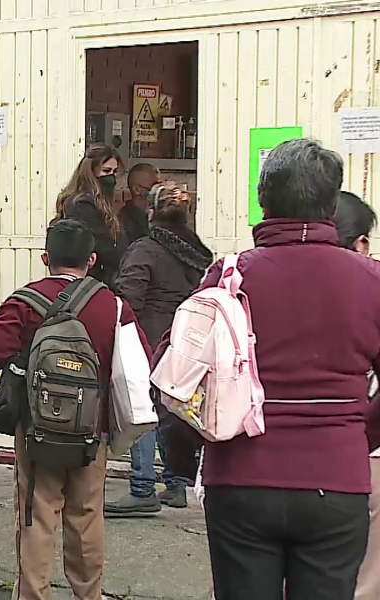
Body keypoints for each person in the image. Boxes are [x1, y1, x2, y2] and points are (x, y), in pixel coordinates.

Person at [158, 139, 380, 600]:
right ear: (332, 202)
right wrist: (358, 432)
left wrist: (201, 441)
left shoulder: (228, 276)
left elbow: (174, 370)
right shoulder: (371, 280)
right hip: (336, 480)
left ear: (263, 199)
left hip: (241, 479)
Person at [0, 219, 151, 600]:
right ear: (91, 260)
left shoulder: (25, 300)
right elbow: (140, 360)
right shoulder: (113, 305)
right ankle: (87, 595)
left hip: (37, 428)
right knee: (87, 517)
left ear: (46, 258)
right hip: (93, 431)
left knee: (37, 516)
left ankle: (33, 594)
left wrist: (26, 367)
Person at [106, 183, 213, 516]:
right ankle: (176, 483)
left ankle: (142, 488)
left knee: (144, 409)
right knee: (170, 408)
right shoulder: (199, 253)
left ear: (151, 214)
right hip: (184, 341)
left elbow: (128, 296)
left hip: (148, 338)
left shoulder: (145, 249)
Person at [334, 191, 380, 600]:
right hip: (362, 452)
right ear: (360, 242)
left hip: (273, 457)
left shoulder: (259, 276)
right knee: (366, 580)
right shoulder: (372, 283)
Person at [53, 143, 128, 286]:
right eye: (106, 171)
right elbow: (99, 244)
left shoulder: (100, 202)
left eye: (114, 171)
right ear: (91, 172)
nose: (111, 177)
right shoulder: (81, 205)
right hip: (90, 279)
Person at [119, 163, 160, 244]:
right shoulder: (122, 223)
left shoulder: (159, 217)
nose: (158, 190)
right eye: (154, 186)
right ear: (137, 190)